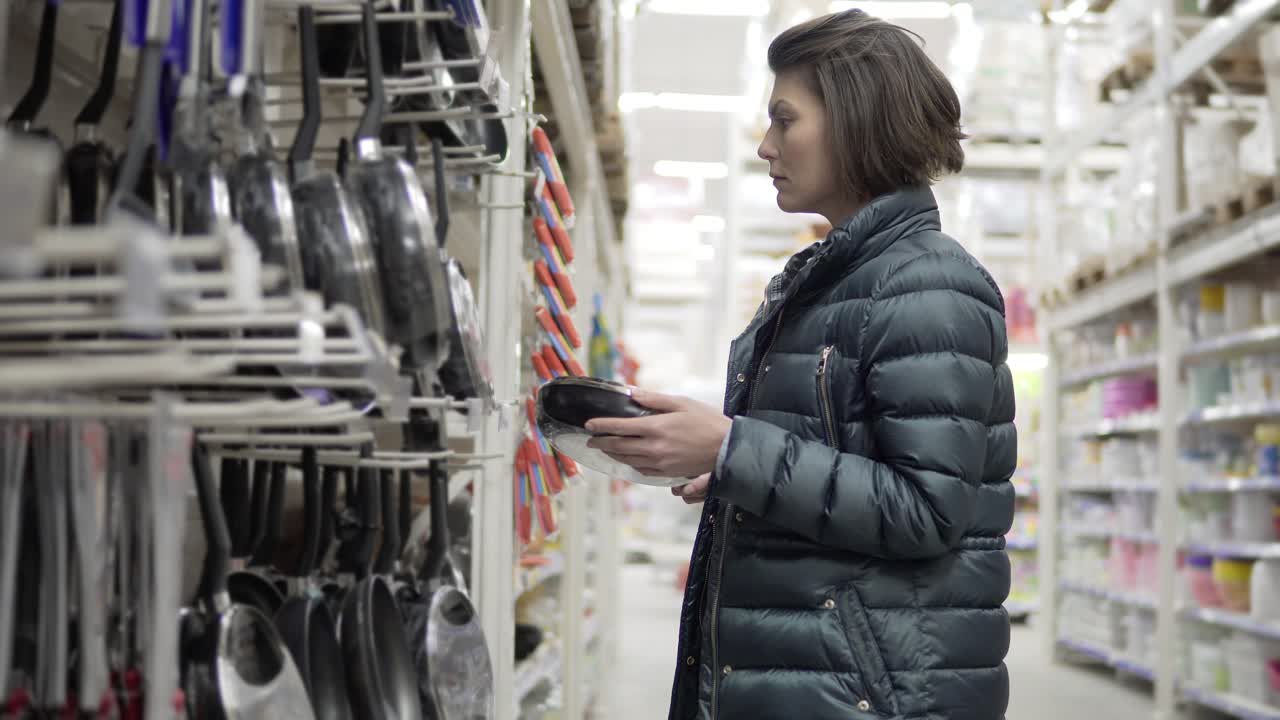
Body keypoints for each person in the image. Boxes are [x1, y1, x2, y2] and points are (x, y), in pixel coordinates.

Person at [585, 9, 1015, 720]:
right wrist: (729, 472)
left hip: (873, 696)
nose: (765, 145)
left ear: (855, 119)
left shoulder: (930, 284)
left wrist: (733, 447)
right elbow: (840, 459)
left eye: (785, 120)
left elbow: (928, 510)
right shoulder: (834, 278)